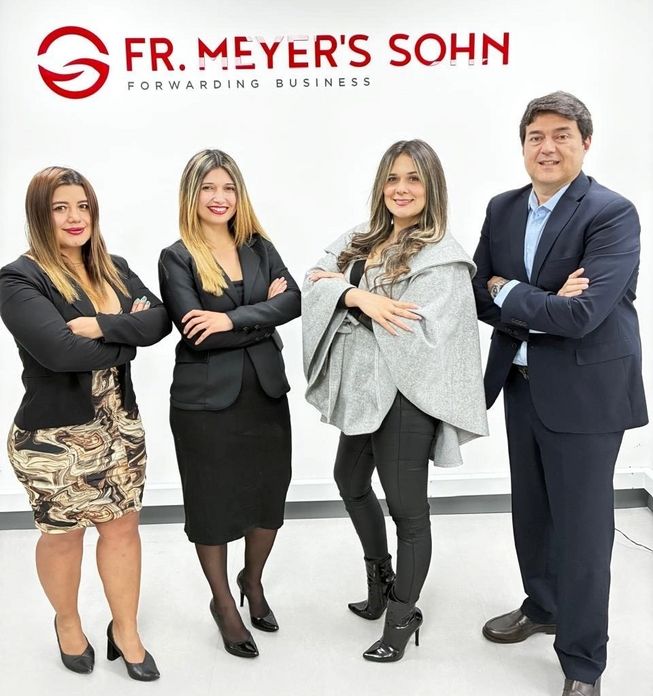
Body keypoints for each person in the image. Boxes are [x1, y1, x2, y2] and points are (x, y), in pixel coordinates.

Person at [472, 91, 648, 696]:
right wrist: (539, 298)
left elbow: (584, 315)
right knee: (533, 514)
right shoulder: (502, 208)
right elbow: (477, 293)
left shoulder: (611, 213)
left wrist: (512, 291)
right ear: (522, 145)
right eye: (535, 136)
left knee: (582, 533)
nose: (547, 147)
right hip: (522, 385)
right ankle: (543, 606)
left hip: (586, 393)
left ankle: (582, 663)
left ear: (585, 143)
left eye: (561, 135)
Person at [303, 139, 488, 662]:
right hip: (365, 390)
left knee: (408, 510)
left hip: (409, 396)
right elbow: (313, 281)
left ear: (432, 187)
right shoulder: (360, 239)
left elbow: (420, 329)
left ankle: (403, 615)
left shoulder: (442, 256)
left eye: (413, 179)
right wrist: (356, 295)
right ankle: (381, 580)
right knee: (348, 480)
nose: (401, 189)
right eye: (392, 178)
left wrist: (349, 300)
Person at [0, 166, 171, 681]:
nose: (75, 218)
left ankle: (126, 630)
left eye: (83, 206)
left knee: (123, 530)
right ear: (40, 215)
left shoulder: (114, 268)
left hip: (121, 429)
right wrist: (127, 340)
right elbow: (59, 353)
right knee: (64, 537)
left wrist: (100, 326)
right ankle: (68, 622)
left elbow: (160, 320)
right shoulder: (19, 279)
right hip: (54, 442)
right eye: (60, 208)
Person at [158, 149, 300, 659]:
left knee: (268, 497)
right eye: (208, 188)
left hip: (265, 393)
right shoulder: (177, 257)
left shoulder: (259, 246)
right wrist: (262, 312)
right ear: (191, 195)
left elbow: (294, 301)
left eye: (228, 188)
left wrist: (229, 318)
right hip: (204, 403)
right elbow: (198, 334)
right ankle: (223, 603)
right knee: (212, 504)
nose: (219, 198)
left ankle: (252, 581)